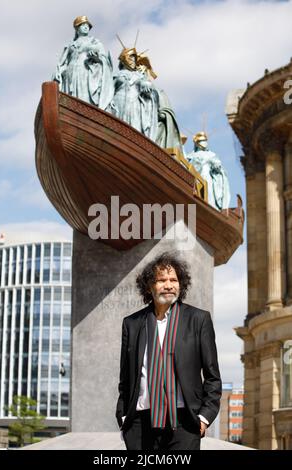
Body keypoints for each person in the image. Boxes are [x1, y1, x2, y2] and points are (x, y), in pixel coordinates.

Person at [116, 252, 221, 450]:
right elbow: (126, 378)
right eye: (161, 280)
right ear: (149, 286)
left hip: (184, 422)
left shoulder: (198, 320)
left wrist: (205, 416)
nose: (169, 285)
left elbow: (212, 376)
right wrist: (123, 417)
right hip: (140, 423)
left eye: (174, 279)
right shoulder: (132, 324)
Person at [53, 16, 114, 110]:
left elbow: (104, 59)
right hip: (71, 73)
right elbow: (62, 63)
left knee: (84, 96)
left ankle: (86, 112)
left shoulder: (94, 42)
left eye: (87, 25)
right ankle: (72, 111)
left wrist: (95, 57)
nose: (86, 27)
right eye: (82, 25)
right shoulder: (71, 45)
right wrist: (58, 72)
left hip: (86, 70)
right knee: (72, 95)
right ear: (77, 28)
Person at [111, 46, 158, 140]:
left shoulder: (140, 76)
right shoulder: (116, 75)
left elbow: (151, 92)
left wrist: (147, 88)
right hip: (118, 103)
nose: (133, 60)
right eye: (130, 57)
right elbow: (108, 89)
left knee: (134, 129)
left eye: (134, 58)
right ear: (124, 58)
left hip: (134, 104)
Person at [187, 132, 231, 210]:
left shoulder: (211, 154)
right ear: (197, 143)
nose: (204, 143)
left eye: (205, 141)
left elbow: (218, 166)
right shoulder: (190, 155)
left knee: (208, 191)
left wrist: (216, 166)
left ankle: (210, 206)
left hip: (206, 176)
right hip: (193, 176)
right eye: (201, 141)